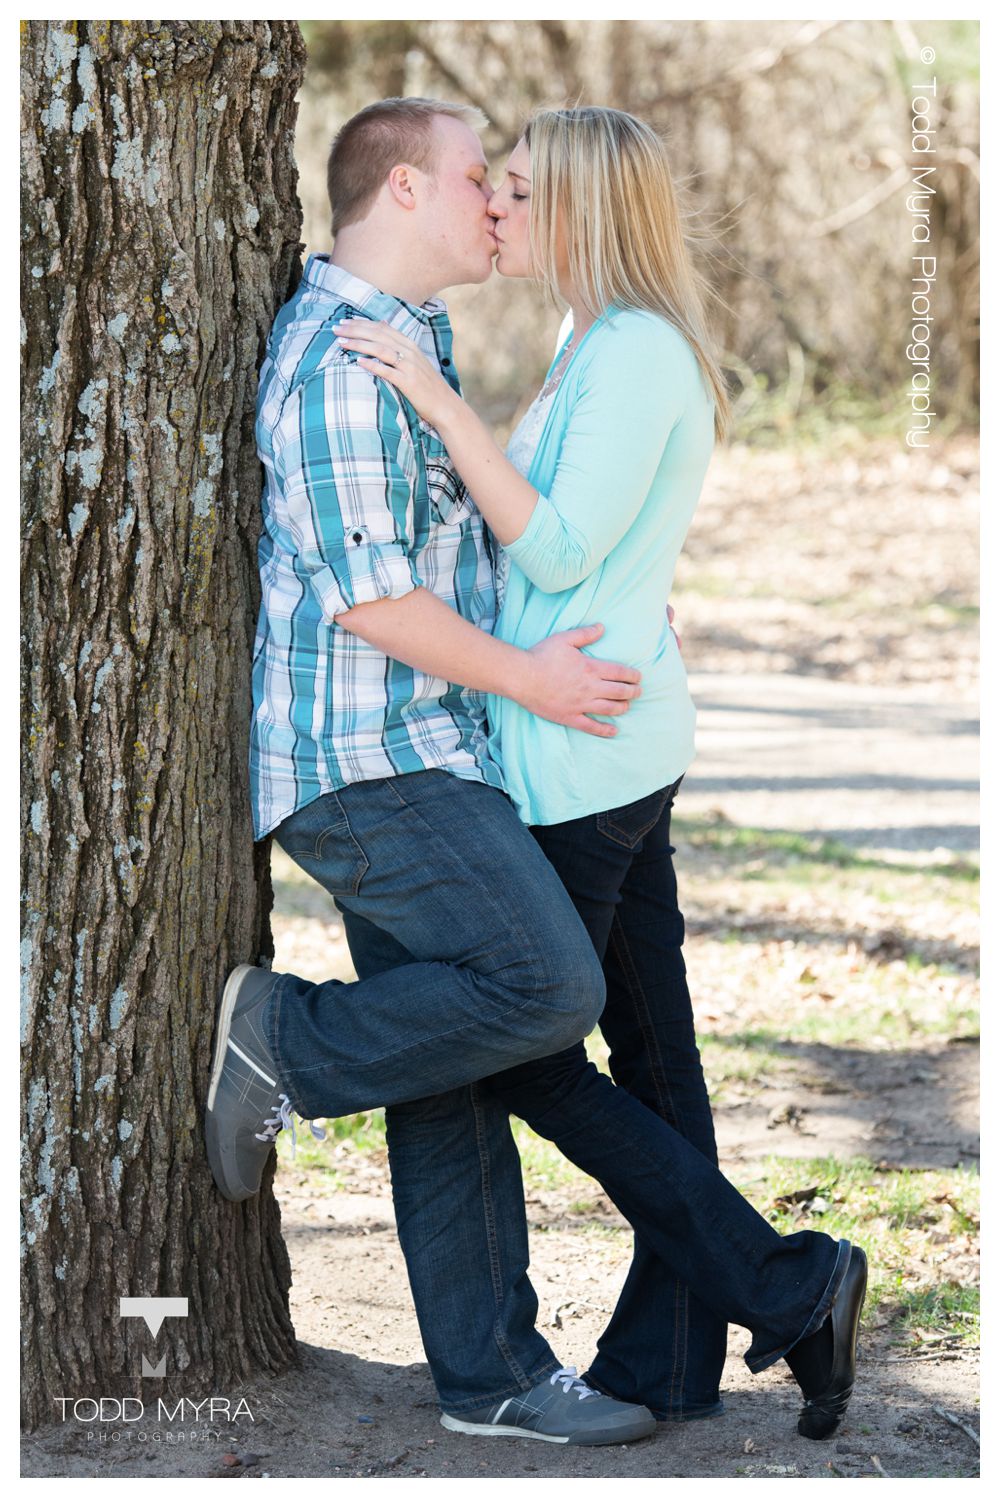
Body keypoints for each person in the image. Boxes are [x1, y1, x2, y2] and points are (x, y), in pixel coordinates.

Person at [205, 96, 865, 1448]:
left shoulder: (484, 345)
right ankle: (288, 1040)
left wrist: (606, 611)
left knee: (486, 1046)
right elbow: (383, 594)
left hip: (489, 743)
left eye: (514, 186)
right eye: (474, 179)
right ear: (400, 192)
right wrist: (540, 664)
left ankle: (508, 1366)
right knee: (540, 1002)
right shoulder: (352, 361)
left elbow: (533, 542)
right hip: (391, 752)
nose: (494, 205)